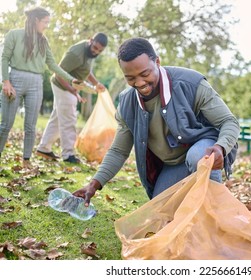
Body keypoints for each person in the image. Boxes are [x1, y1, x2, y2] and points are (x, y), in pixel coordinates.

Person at [73, 37, 240, 205]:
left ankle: (214, 212)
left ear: (157, 62)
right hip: (173, 165)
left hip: (202, 150)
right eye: (130, 78)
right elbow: (118, 151)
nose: (139, 83)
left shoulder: (191, 83)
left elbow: (229, 121)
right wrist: (94, 184)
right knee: (159, 212)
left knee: (198, 157)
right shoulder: (127, 103)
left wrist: (221, 147)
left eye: (145, 74)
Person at [0, 7, 78, 168]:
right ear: (36, 20)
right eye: (45, 22)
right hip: (15, 79)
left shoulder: (43, 41)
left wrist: (71, 79)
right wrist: (6, 81)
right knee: (6, 124)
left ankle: (26, 160)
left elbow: (52, 65)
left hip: (36, 83)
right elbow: (4, 58)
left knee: (30, 125)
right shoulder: (14, 34)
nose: (47, 25)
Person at [36, 33, 108, 164]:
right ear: (90, 40)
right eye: (95, 47)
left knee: (57, 118)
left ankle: (44, 148)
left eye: (99, 50)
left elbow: (85, 70)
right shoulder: (76, 53)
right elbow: (57, 73)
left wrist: (96, 83)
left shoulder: (89, 53)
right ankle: (68, 154)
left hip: (71, 85)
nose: (96, 51)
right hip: (62, 85)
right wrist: (73, 91)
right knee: (69, 119)